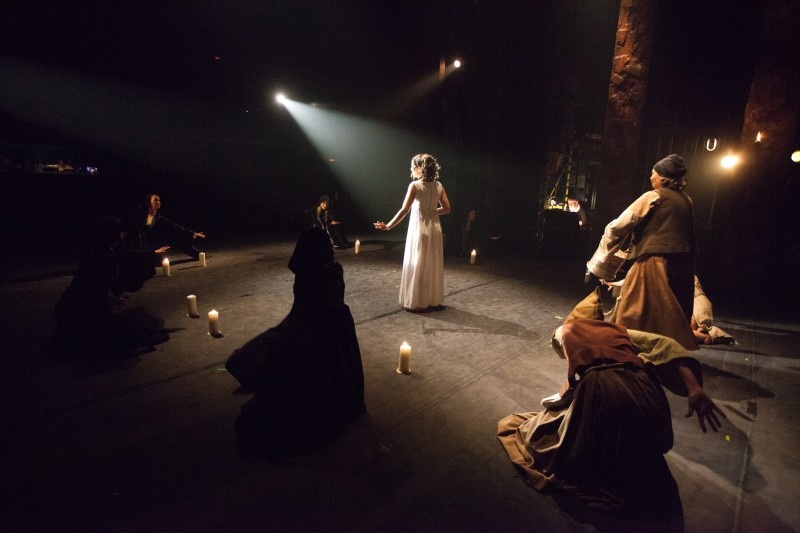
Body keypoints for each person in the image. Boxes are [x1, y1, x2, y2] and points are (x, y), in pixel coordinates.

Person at [497, 289, 725, 519]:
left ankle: (611, 486)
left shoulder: (565, 330)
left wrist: (562, 403)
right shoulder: (618, 330)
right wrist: (694, 389)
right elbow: (667, 345)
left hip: (604, 389)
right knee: (630, 442)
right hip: (644, 390)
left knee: (544, 437)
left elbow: (569, 383)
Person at [225, 227, 365, 458]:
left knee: (254, 362)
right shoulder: (326, 270)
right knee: (249, 357)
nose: (331, 247)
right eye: (327, 244)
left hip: (310, 332)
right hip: (308, 326)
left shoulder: (319, 273)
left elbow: (315, 312)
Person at [586, 154, 697, 350]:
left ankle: (626, 347)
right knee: (670, 311)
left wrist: (600, 263)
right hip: (683, 264)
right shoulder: (686, 200)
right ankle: (666, 350)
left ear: (663, 177)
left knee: (635, 307)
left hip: (655, 261)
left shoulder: (654, 196)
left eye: (653, 173)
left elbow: (620, 225)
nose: (650, 177)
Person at [51, 216, 169, 359]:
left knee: (148, 324)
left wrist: (112, 298)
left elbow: (128, 256)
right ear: (112, 234)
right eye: (120, 232)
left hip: (88, 308)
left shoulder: (105, 251)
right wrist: (110, 301)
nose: (124, 235)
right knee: (134, 334)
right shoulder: (99, 258)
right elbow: (90, 291)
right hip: (80, 313)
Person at [374, 153, 451, 311]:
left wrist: (388, 226)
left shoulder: (415, 186)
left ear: (419, 168)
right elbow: (446, 209)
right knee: (432, 263)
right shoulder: (439, 185)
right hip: (435, 229)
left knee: (418, 263)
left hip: (420, 228)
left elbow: (404, 210)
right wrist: (430, 211)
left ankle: (417, 302)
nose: (410, 171)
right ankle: (432, 300)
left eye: (412, 167)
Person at [118, 194, 206, 261]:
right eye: (155, 200)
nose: (158, 202)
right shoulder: (138, 209)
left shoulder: (157, 216)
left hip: (141, 241)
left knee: (176, 236)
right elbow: (121, 216)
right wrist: (120, 231)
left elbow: (173, 226)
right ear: (149, 202)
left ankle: (198, 255)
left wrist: (192, 233)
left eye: (159, 200)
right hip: (128, 241)